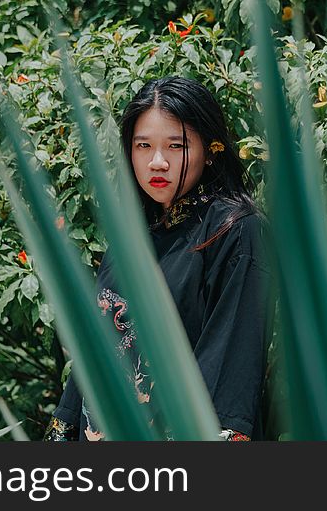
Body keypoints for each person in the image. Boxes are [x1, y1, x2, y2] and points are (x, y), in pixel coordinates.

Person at [43, 76, 273, 441]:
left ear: (210, 149)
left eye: (176, 146)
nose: (158, 162)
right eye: (143, 146)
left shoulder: (236, 232)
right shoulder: (132, 235)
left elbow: (231, 371)